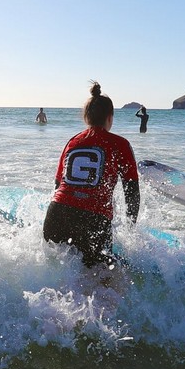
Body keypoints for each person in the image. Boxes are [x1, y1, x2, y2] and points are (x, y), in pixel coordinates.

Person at [43, 82, 140, 269]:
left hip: (56, 214)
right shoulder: (120, 144)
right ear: (110, 118)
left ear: (86, 118)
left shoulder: (72, 141)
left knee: (59, 273)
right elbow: (131, 190)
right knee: (102, 281)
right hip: (92, 219)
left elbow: (58, 184)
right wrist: (131, 231)